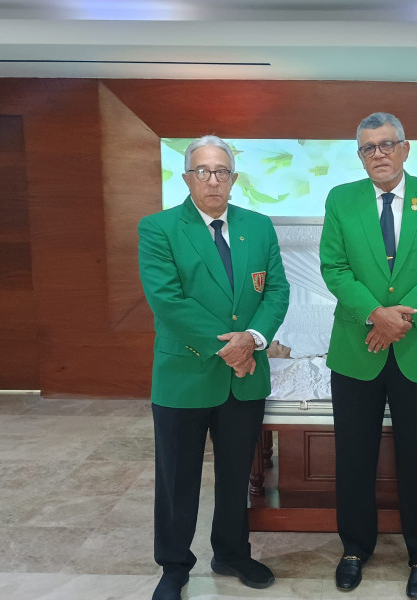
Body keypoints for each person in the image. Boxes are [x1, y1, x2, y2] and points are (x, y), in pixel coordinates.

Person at [319, 112, 417, 599]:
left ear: (405, 148)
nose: (378, 154)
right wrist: (374, 314)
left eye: (386, 144)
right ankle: (354, 549)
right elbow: (334, 268)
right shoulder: (341, 199)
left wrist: (402, 318)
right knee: (354, 456)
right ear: (359, 156)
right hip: (357, 347)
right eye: (367, 148)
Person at [138, 135, 289, 600]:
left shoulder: (258, 226)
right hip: (186, 375)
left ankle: (231, 553)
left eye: (222, 171)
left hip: (244, 378)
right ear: (186, 177)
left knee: (236, 474)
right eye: (202, 170)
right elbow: (167, 300)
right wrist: (228, 346)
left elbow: (276, 291)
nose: (213, 180)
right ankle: (175, 566)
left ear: (234, 179)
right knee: (177, 477)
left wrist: (255, 339)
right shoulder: (158, 228)